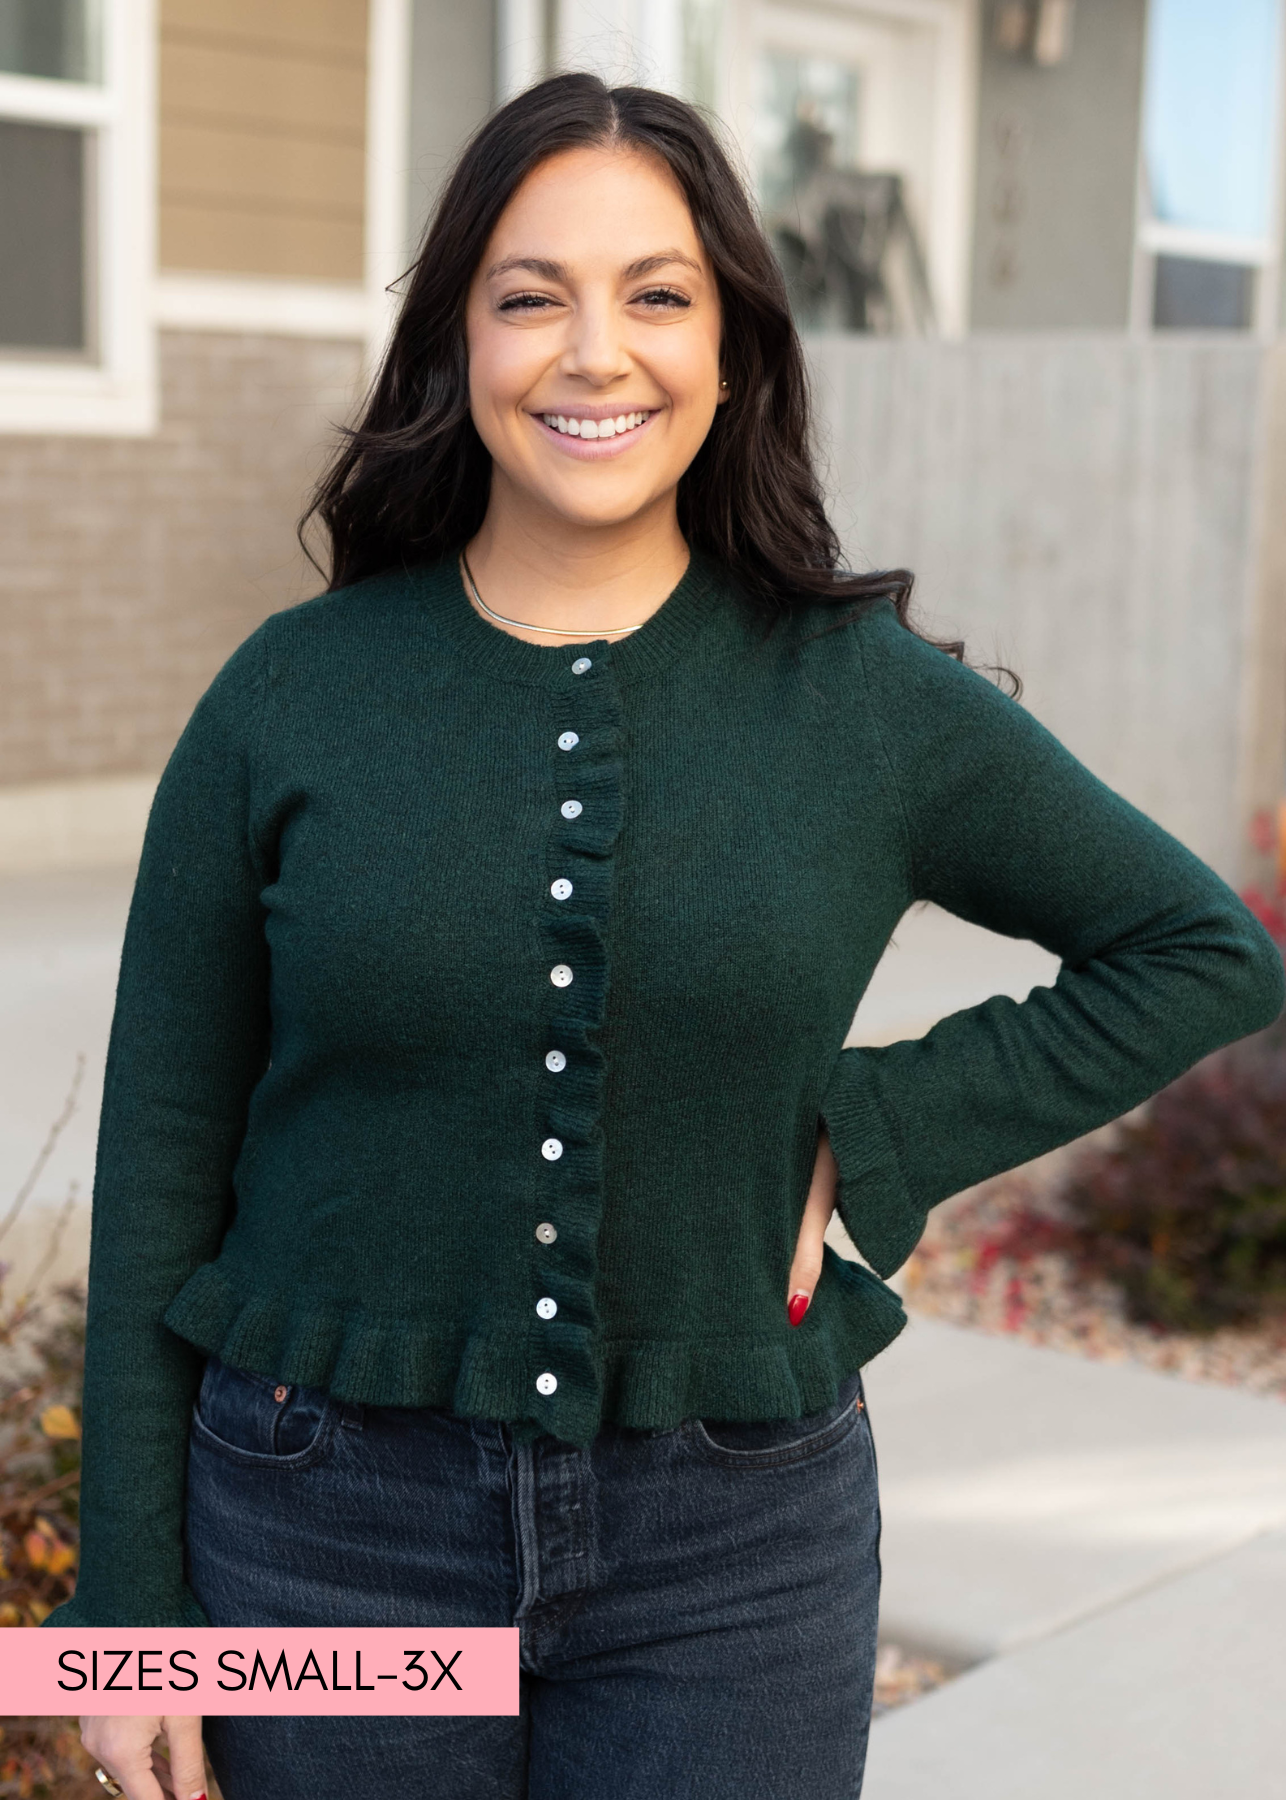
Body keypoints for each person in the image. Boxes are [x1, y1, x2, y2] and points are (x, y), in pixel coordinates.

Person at [47, 71, 1283, 1800]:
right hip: (324, 1537)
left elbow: (1203, 949)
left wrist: (877, 1128)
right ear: (456, 338)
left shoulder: (861, 701)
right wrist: (121, 1631)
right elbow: (162, 1153)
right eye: (529, 296)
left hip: (733, 1561)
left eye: (655, 295)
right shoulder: (289, 696)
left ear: (730, 346)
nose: (592, 354)